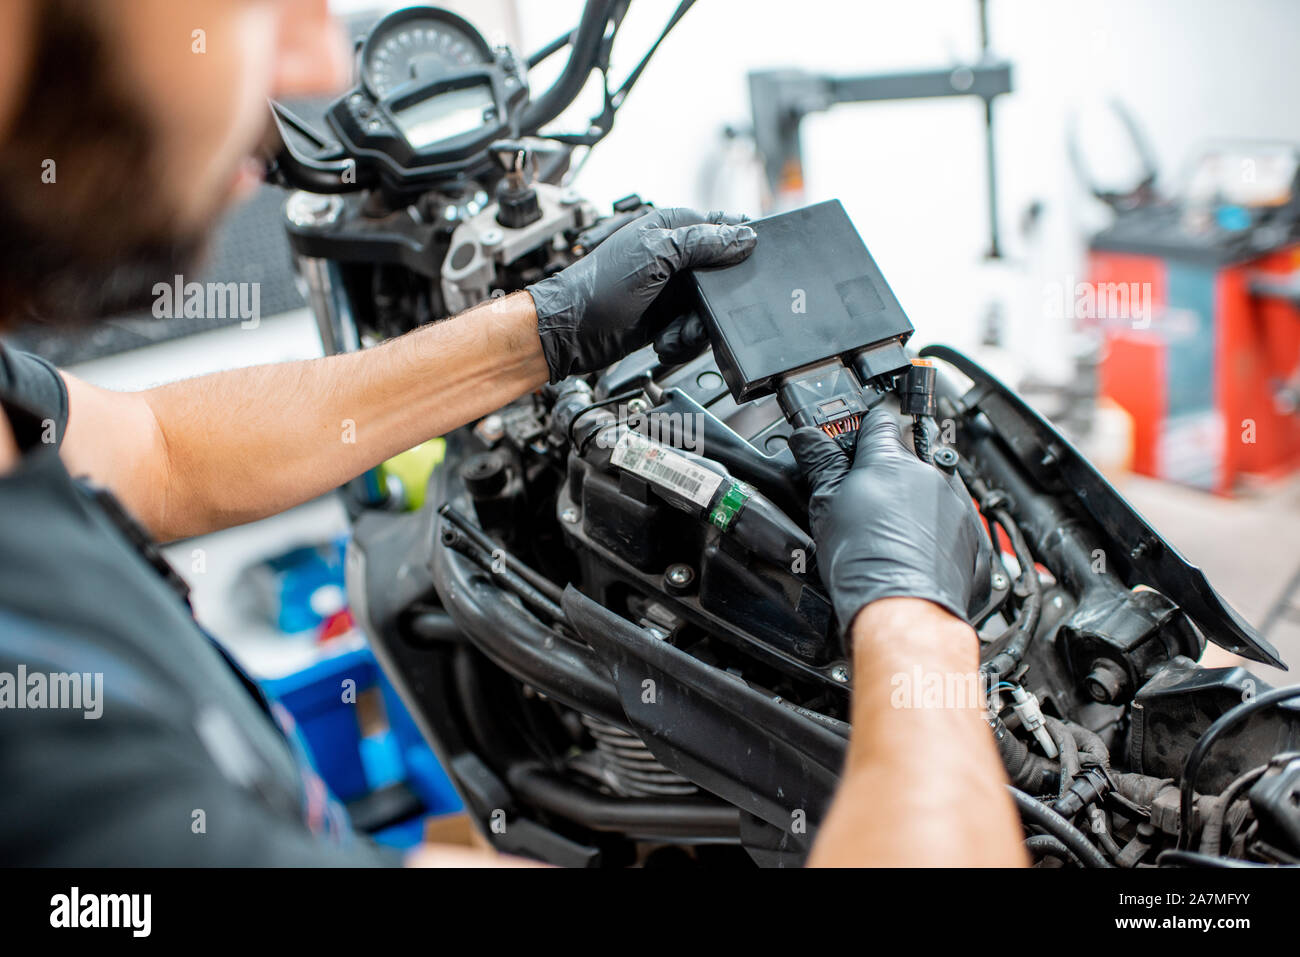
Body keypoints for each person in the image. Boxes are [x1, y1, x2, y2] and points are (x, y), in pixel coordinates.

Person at [0, 0, 1022, 866]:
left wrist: (541, 329)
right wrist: (913, 621)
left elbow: (160, 452)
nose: (312, 59)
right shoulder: (71, 784)